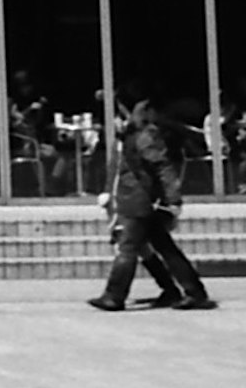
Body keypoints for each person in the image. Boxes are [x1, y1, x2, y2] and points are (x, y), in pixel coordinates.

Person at [88, 95, 214, 311]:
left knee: (127, 249)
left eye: (122, 113)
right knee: (165, 247)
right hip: (133, 199)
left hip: (138, 201)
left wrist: (173, 199)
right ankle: (192, 291)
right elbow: (117, 171)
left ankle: (114, 295)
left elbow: (162, 167)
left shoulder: (144, 137)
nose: (119, 119)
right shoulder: (129, 137)